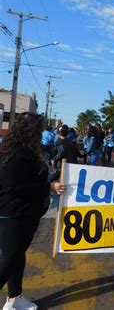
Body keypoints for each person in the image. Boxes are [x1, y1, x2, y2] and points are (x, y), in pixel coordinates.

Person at [0, 113, 66, 310]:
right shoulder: (17, 154)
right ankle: (13, 299)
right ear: (31, 132)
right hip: (15, 215)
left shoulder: (16, 150)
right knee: (10, 258)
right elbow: (14, 187)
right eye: (39, 130)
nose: (43, 134)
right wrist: (48, 187)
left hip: (20, 213)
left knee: (17, 255)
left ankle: (14, 298)